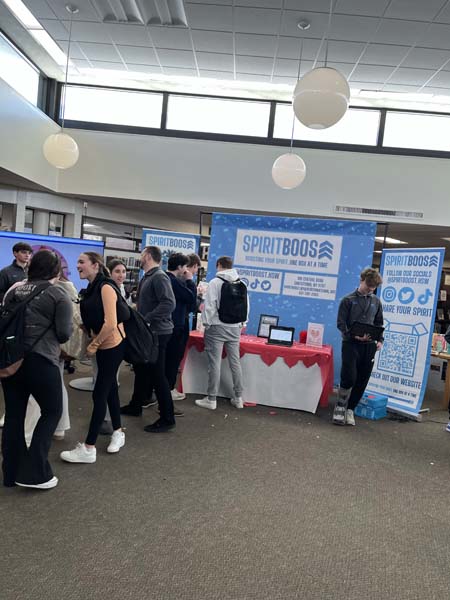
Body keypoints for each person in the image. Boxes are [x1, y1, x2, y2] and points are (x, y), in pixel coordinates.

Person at [1, 250, 73, 489]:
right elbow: (64, 334)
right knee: (52, 411)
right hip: (42, 360)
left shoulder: (14, 290)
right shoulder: (57, 294)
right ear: (55, 271)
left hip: (11, 360)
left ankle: (10, 472)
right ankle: (35, 471)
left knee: (14, 415)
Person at [60, 252, 129, 464]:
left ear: (95, 266)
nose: (78, 265)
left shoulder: (106, 287)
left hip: (112, 346)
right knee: (110, 390)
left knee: (100, 393)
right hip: (103, 345)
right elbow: (92, 318)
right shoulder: (90, 289)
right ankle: (118, 432)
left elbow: (110, 323)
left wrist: (94, 345)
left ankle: (89, 448)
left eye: (82, 262)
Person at [121, 246, 176, 433]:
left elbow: (169, 303)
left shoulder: (159, 277)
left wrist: (147, 319)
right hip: (150, 332)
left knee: (156, 374)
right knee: (142, 368)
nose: (140, 257)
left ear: (148, 256)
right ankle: (136, 405)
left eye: (142, 254)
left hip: (158, 332)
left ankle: (168, 417)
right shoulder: (148, 276)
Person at [195, 256, 248, 411]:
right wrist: (242, 324)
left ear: (218, 265)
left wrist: (206, 324)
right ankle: (238, 398)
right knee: (235, 362)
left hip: (216, 327)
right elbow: (246, 306)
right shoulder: (241, 283)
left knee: (215, 363)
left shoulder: (215, 283)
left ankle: (211, 399)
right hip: (235, 328)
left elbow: (209, 307)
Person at [334, 267, 384, 426]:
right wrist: (353, 335)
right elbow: (341, 324)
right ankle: (340, 407)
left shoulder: (376, 301)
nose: (371, 289)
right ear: (361, 280)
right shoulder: (347, 300)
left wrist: (380, 340)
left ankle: (351, 410)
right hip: (350, 344)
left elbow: (378, 323)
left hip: (369, 347)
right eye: (369, 285)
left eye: (374, 287)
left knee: (362, 379)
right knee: (349, 377)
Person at [165, 253, 197, 405]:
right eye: (185, 266)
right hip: (176, 325)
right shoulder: (173, 281)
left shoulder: (168, 279)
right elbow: (191, 300)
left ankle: (165, 388)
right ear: (179, 267)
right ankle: (169, 389)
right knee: (173, 358)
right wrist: (190, 281)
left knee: (170, 358)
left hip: (172, 324)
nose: (186, 270)